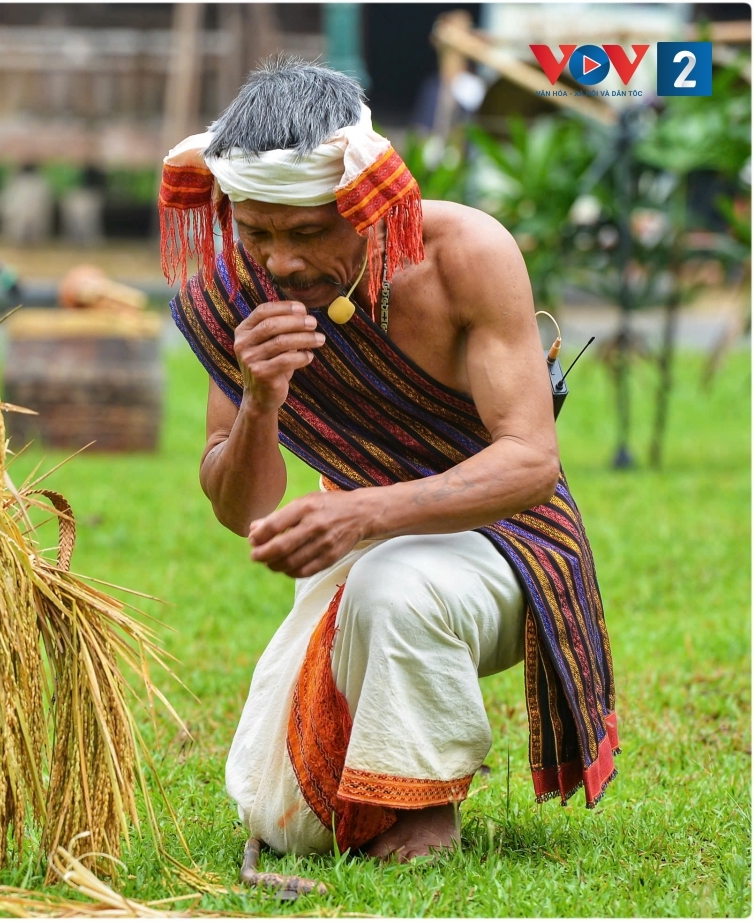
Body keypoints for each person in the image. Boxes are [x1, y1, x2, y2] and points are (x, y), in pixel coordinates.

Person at [160, 58, 617, 863]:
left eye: (306, 231)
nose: (281, 262)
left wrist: (363, 511)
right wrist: (260, 397)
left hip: (511, 544)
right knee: (283, 820)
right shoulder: (232, 288)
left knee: (390, 580)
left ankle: (425, 807)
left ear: (368, 202)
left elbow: (529, 464)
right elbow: (244, 509)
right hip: (362, 542)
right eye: (255, 230)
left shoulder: (465, 254)